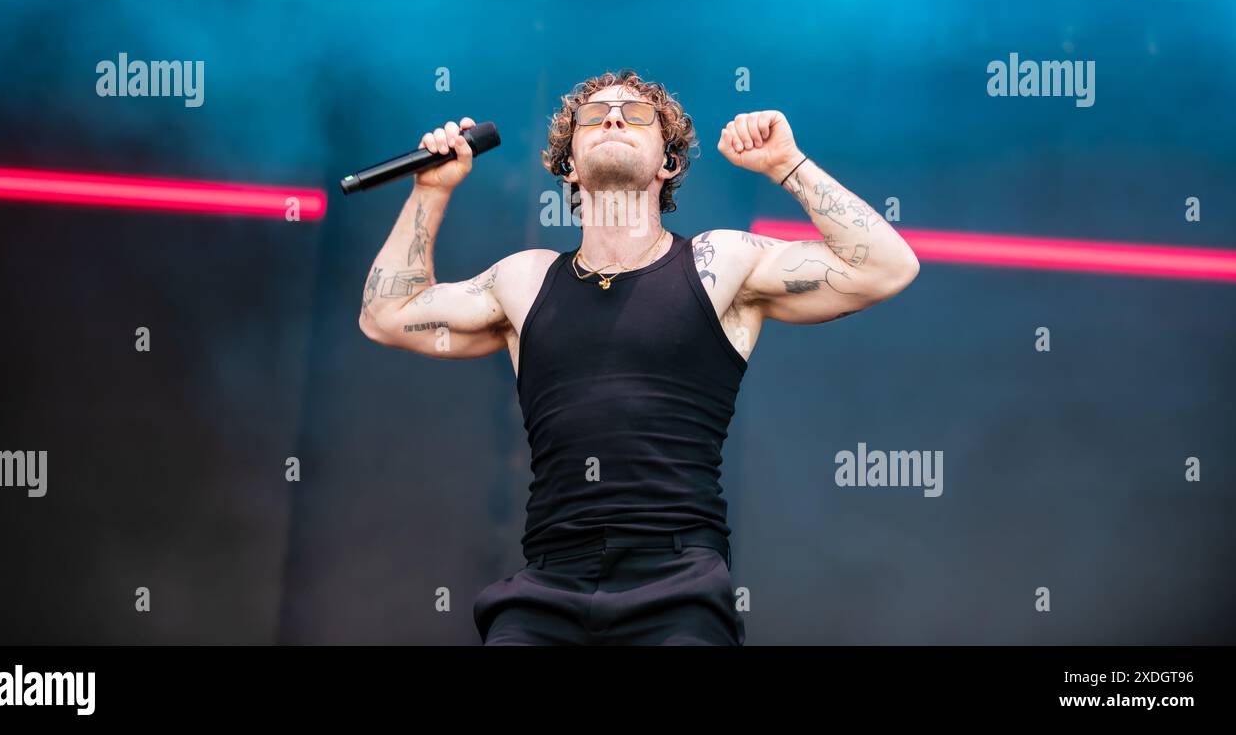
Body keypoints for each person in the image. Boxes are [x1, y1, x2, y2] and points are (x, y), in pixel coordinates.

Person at [358, 68, 920, 644]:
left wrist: (786, 165)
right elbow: (385, 316)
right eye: (594, 115)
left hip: (676, 586)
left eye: (637, 113)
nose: (615, 117)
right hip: (545, 588)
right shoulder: (523, 280)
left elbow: (886, 267)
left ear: (668, 164)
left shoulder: (718, 262)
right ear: (568, 166)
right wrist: (431, 189)